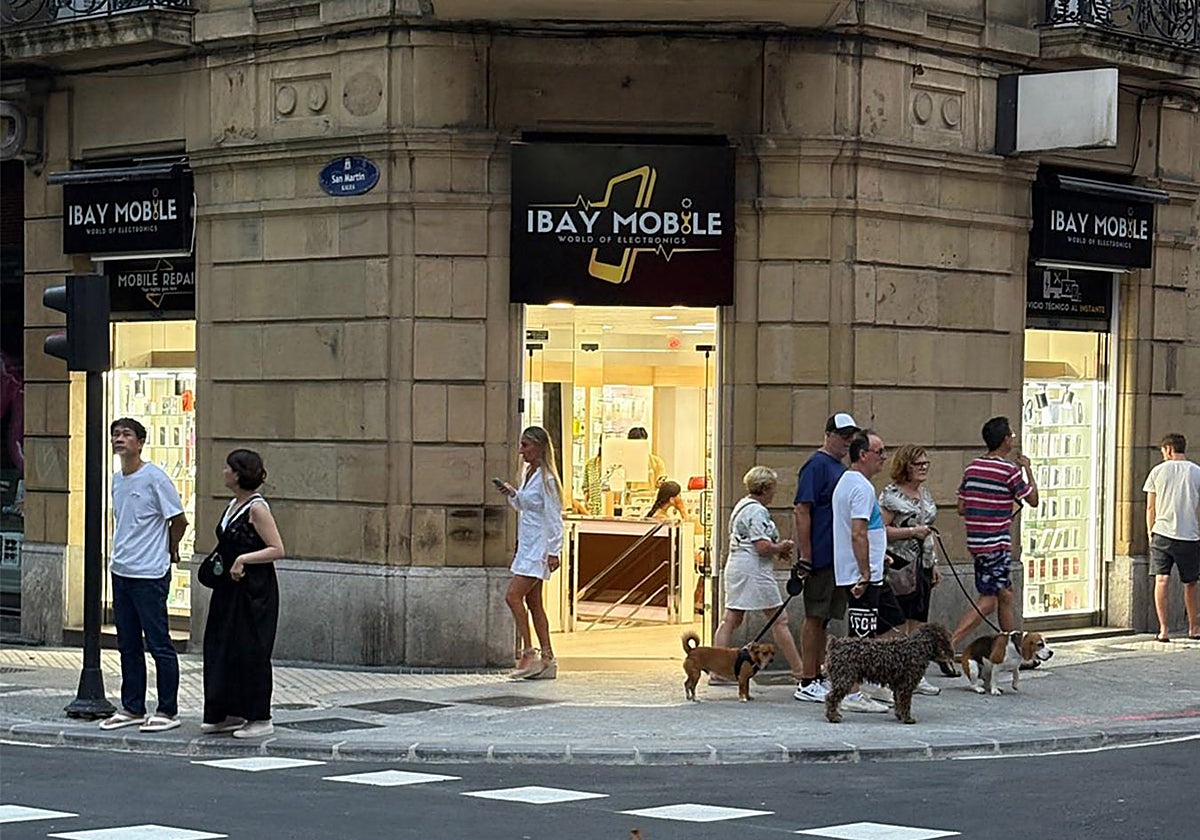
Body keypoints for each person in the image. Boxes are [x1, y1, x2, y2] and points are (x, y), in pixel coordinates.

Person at [99, 418, 187, 733]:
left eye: (126, 435)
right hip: (121, 569)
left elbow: (178, 519)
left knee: (159, 642)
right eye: (115, 435)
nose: (119, 440)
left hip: (149, 572)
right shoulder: (117, 480)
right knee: (128, 643)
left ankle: (167, 709)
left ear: (140, 442)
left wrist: (170, 549)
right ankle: (133, 706)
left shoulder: (155, 478)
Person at [202, 449, 285, 739]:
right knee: (221, 646)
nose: (223, 472)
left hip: (254, 591)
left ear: (238, 474)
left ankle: (259, 717)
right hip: (229, 588)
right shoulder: (232, 505)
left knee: (251, 651)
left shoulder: (257, 508)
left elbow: (277, 548)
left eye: (228, 468)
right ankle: (224, 712)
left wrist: (243, 560)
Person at [792, 412, 865, 706]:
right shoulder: (816, 465)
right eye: (842, 435)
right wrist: (806, 555)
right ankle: (807, 679)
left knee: (824, 619)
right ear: (828, 434)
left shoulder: (838, 468)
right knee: (815, 615)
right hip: (822, 555)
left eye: (851, 436)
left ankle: (819, 674)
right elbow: (801, 509)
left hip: (837, 556)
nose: (847, 441)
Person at [950, 416, 1038, 650]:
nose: (1013, 439)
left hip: (977, 542)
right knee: (989, 600)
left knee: (1005, 595)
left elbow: (961, 507)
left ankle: (1012, 648)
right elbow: (1033, 499)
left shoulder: (972, 467)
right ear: (1005, 440)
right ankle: (950, 643)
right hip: (996, 544)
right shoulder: (1008, 469)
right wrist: (1027, 468)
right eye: (1011, 435)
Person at [831, 430, 905, 709]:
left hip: (871, 569)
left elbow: (868, 531)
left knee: (891, 621)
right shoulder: (860, 487)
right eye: (880, 452)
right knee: (859, 636)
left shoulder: (853, 483)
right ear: (863, 455)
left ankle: (871, 679)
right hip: (861, 574)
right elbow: (858, 532)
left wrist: (879, 556)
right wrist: (864, 571)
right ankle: (850, 692)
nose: (884, 458)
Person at [711, 466, 804, 679]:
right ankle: (799, 669)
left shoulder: (742, 506)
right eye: (773, 488)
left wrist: (775, 549)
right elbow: (762, 546)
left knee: (731, 619)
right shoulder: (757, 511)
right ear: (766, 488)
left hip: (738, 566)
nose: (775, 493)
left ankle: (717, 669)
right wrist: (781, 547)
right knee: (779, 619)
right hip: (754, 570)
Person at [497, 426, 564, 680]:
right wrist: (513, 494)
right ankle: (547, 657)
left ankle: (529, 651)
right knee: (534, 602)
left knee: (513, 596)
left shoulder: (547, 478)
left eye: (526, 445)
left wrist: (554, 550)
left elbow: (553, 515)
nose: (522, 451)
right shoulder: (529, 473)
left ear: (539, 447)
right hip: (528, 544)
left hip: (539, 548)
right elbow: (526, 505)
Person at [879, 444, 947, 691]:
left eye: (926, 463)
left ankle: (914, 674)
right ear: (905, 466)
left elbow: (929, 530)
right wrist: (911, 531)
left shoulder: (925, 494)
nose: (923, 468)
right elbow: (881, 531)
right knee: (899, 621)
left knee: (918, 619)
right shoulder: (891, 495)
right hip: (900, 563)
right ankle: (895, 673)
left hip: (924, 564)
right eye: (918, 464)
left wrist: (935, 563)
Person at [1143, 432, 1200, 642]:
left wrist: (1151, 532)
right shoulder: (1196, 471)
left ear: (1168, 450)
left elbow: (1150, 506)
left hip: (1162, 533)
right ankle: (1194, 628)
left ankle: (1164, 630)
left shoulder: (1157, 471)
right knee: (1191, 582)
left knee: (1162, 580)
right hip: (1189, 534)